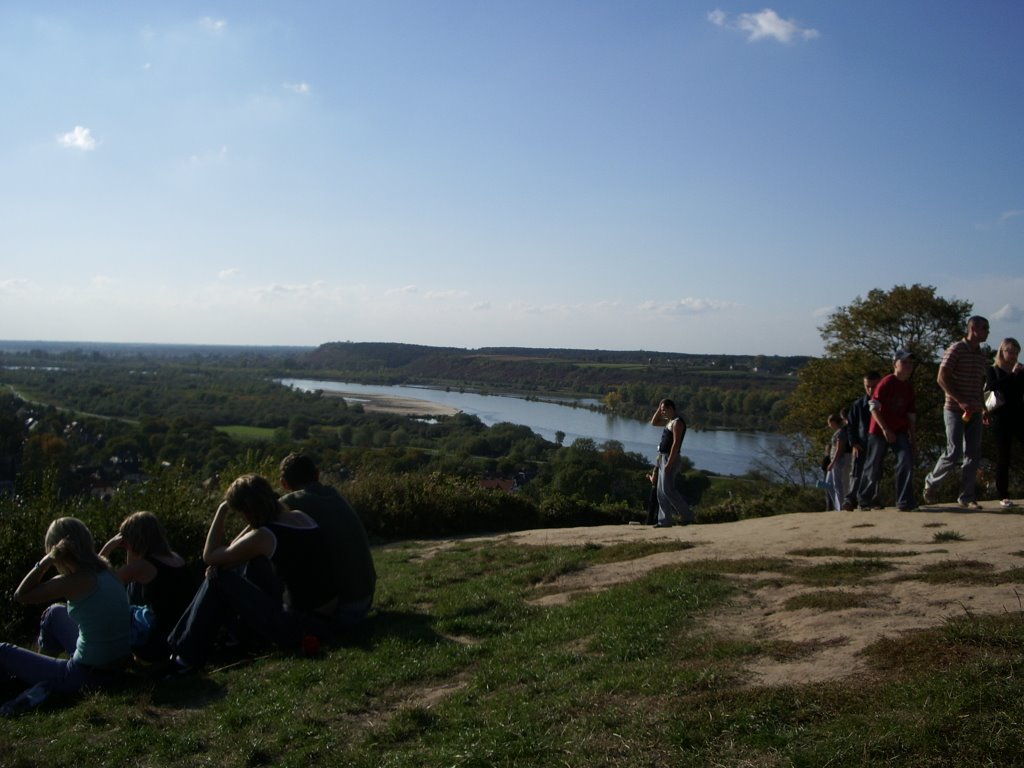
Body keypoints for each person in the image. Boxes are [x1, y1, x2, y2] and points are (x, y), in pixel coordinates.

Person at [167, 474, 341, 673]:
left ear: (246, 512)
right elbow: (235, 549)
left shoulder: (264, 536)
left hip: (301, 626)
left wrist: (222, 509)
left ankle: (185, 656)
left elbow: (209, 556)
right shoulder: (302, 517)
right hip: (325, 619)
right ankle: (235, 638)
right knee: (248, 564)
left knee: (218, 579)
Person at [0, 518, 130, 706]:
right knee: (54, 612)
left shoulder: (72, 581)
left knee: (3, 651)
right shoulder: (106, 569)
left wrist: (46, 560)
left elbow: (21, 595)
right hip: (118, 665)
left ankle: (38, 681)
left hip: (86, 675)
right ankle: (41, 671)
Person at [278, 453, 376, 626]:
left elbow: (256, 533)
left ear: (284, 484)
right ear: (317, 474)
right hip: (365, 599)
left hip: (342, 609)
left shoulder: (292, 501)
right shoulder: (333, 494)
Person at [99, 511, 197, 662]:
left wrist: (107, 549)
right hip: (180, 634)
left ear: (134, 539)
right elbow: (131, 572)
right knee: (133, 592)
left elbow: (100, 582)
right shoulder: (175, 557)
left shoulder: (144, 567)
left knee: (106, 609)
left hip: (158, 644)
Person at [923, 316, 990, 508]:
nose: (987, 332)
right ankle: (932, 483)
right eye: (985, 328)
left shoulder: (980, 354)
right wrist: (960, 400)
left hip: (975, 410)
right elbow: (941, 377)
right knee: (954, 451)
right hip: (954, 409)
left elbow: (979, 383)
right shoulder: (956, 349)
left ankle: (967, 497)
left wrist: (983, 407)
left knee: (973, 453)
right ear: (973, 328)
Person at [858, 349, 918, 511]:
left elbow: (911, 415)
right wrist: (885, 429)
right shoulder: (886, 383)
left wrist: (913, 439)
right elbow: (874, 408)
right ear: (895, 364)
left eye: (910, 363)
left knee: (905, 459)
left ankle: (904, 501)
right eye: (904, 362)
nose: (908, 366)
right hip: (879, 430)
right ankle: (864, 499)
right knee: (874, 464)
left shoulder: (908, 388)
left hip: (899, 429)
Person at [985, 338, 1024, 508]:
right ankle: (1003, 494)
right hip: (1001, 417)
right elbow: (992, 387)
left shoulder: (1020, 371)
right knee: (1003, 457)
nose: (1013, 355)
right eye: (1010, 351)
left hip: (1019, 416)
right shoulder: (993, 370)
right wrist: (1012, 375)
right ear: (1002, 351)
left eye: (1016, 352)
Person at [649, 399, 694, 526]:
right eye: (662, 409)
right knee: (660, 491)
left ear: (671, 408)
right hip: (662, 457)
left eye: (664, 409)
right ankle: (664, 521)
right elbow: (654, 422)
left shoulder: (677, 423)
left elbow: (676, 444)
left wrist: (670, 462)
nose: (662, 412)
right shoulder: (669, 421)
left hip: (670, 458)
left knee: (668, 489)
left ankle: (687, 516)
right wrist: (659, 406)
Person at [843, 371, 882, 511]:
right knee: (856, 472)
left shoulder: (883, 403)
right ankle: (850, 500)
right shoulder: (858, 405)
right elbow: (851, 426)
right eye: (867, 386)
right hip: (861, 443)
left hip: (877, 443)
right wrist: (853, 443)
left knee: (875, 473)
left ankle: (872, 500)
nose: (870, 389)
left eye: (874, 386)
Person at [824, 413, 849, 511]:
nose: (829, 426)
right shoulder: (838, 432)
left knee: (837, 484)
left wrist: (833, 462)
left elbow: (839, 449)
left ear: (834, 422)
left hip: (838, 461)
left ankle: (841, 506)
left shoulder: (841, 432)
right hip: (834, 460)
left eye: (829, 423)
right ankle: (837, 505)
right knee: (829, 483)